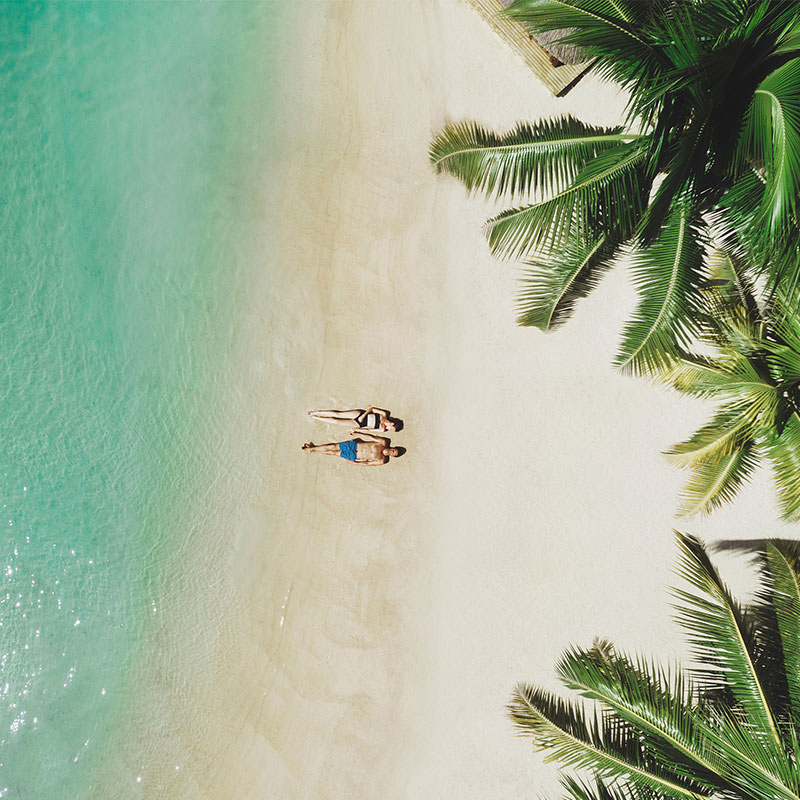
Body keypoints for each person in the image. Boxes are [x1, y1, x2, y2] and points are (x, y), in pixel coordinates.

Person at [301, 431, 403, 466]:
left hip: (354, 455)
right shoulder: (384, 442)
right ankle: (313, 448)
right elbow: (371, 437)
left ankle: (313, 449)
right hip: (354, 445)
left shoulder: (382, 460)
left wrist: (355, 463)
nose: (392, 451)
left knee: (332, 453)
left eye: (394, 453)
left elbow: (367, 463)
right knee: (333, 446)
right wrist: (358, 432)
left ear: (393, 456)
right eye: (394, 450)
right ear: (393, 447)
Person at [307, 406, 402, 433]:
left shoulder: (382, 429)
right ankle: (316, 412)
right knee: (338, 414)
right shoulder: (384, 414)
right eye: (391, 429)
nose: (388, 430)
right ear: (392, 424)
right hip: (360, 414)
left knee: (336, 421)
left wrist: (356, 430)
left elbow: (368, 430)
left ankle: (316, 417)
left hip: (359, 424)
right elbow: (372, 409)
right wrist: (363, 416)